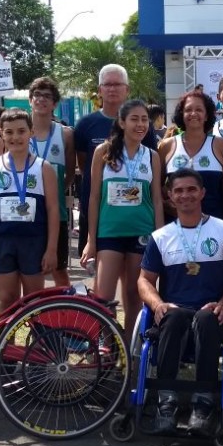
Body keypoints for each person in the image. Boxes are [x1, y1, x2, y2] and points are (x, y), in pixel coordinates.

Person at [138, 168, 223, 435]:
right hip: (175, 315)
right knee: (173, 316)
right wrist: (157, 304)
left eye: (191, 189)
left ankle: (204, 404)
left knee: (206, 317)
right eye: (179, 191)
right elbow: (144, 280)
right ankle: (166, 404)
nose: (185, 195)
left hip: (212, 315)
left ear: (202, 193)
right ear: (170, 197)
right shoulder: (160, 237)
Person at [80, 100, 163, 340]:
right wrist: (91, 240)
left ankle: (128, 351)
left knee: (134, 294)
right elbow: (94, 198)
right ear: (122, 122)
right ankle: (107, 351)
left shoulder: (152, 156)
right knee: (102, 297)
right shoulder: (103, 152)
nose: (140, 124)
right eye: (134, 119)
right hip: (109, 233)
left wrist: (159, 239)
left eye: (145, 119)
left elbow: (157, 199)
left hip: (142, 232)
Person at [0, 109, 60, 314]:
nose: (15, 137)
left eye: (21, 131)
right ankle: (5, 345)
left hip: (33, 242)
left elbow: (53, 210)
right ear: (1, 134)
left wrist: (51, 249)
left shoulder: (44, 168)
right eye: (9, 132)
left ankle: (37, 346)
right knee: (6, 299)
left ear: (31, 132)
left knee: (34, 302)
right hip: (1, 241)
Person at [74, 64, 158, 255]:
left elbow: (151, 165)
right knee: (99, 274)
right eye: (107, 84)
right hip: (99, 213)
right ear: (99, 90)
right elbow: (83, 164)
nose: (112, 89)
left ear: (127, 90)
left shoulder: (144, 126)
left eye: (117, 84)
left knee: (133, 280)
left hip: (136, 217)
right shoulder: (85, 124)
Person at [28, 77, 76, 286]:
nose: (41, 100)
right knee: (30, 271)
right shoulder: (19, 132)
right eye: (37, 95)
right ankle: (31, 316)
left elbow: (71, 174)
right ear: (30, 100)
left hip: (56, 214)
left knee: (59, 269)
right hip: (25, 213)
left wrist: (54, 193)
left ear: (54, 103)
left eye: (47, 96)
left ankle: (67, 314)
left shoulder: (65, 134)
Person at [160, 90, 223, 219]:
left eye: (199, 110)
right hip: (175, 224)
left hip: (214, 224)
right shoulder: (166, 146)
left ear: (206, 115)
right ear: (181, 114)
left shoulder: (221, 145)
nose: (193, 114)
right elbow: (156, 187)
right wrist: (165, 203)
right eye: (188, 110)